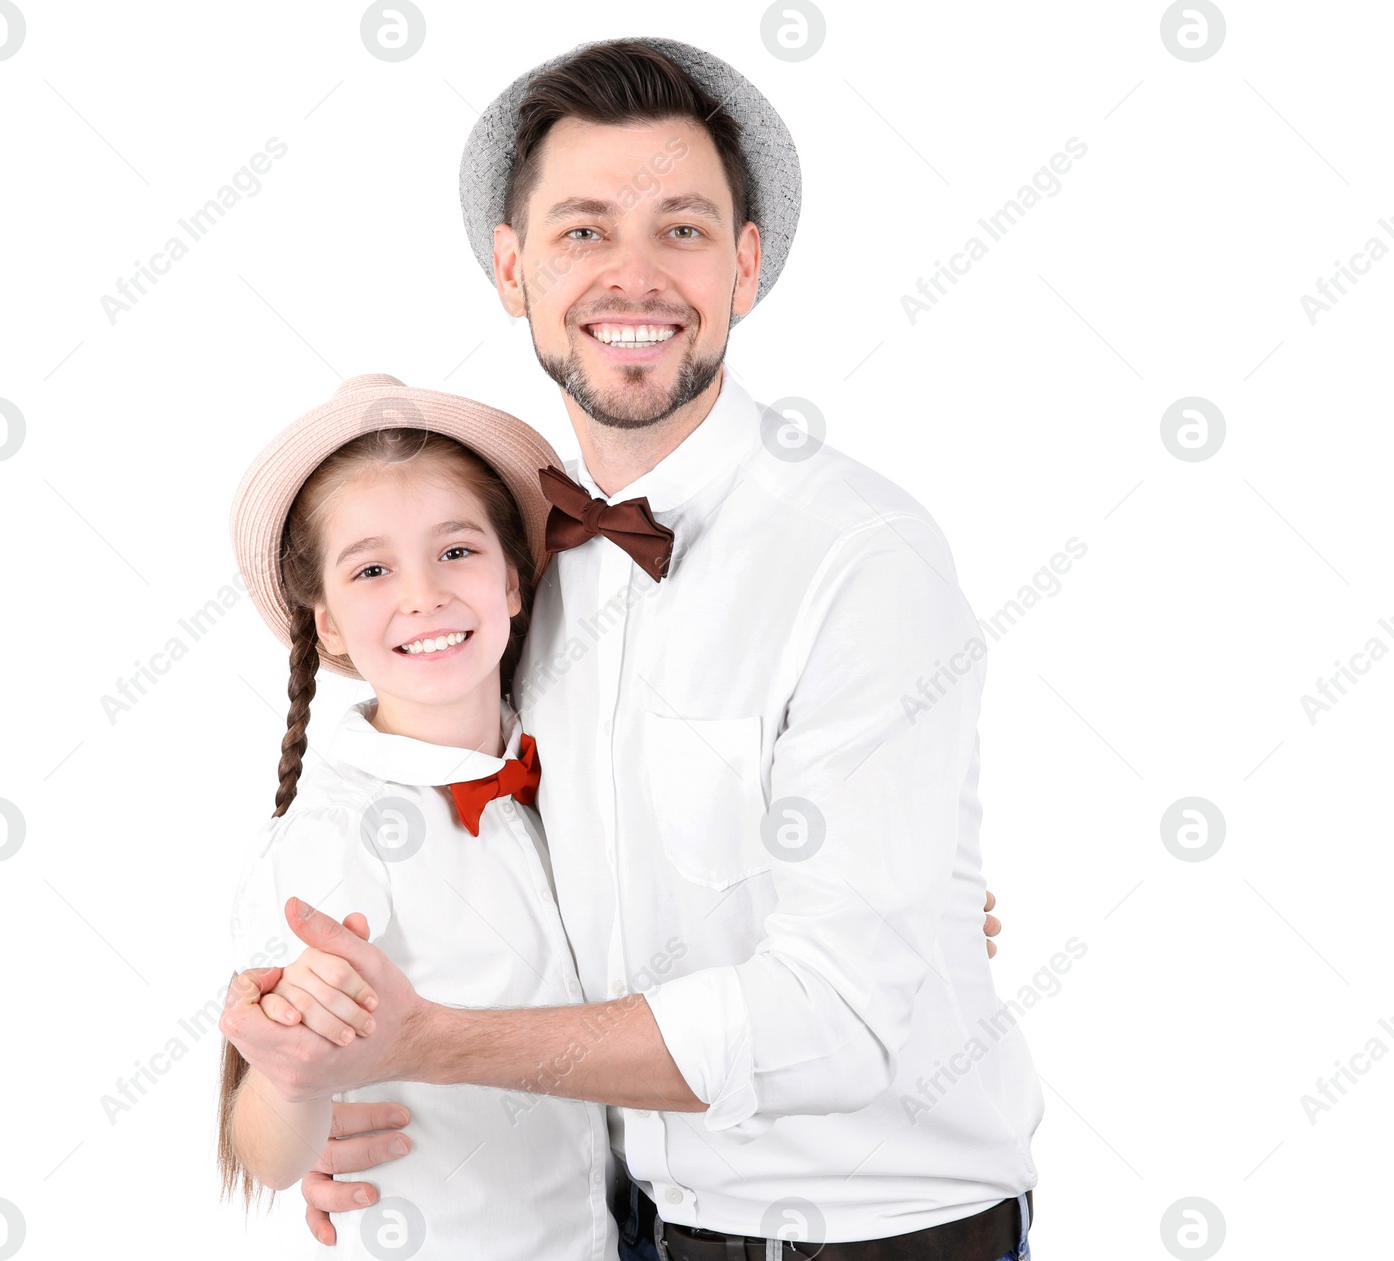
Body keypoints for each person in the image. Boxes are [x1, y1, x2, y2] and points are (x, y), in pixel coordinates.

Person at [222, 36, 1039, 1260]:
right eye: (583, 230)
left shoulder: (858, 558)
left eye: (686, 229)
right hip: (624, 1222)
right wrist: (328, 1104)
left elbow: (843, 1014)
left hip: (876, 1236)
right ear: (512, 269)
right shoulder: (511, 583)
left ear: (746, 264)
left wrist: (425, 1046)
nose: (635, 276)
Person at [217, 376, 619, 1258]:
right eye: (371, 569)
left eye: (457, 551)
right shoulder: (336, 834)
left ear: (514, 582)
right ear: (325, 626)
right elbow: (267, 1151)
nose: (422, 595)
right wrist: (295, 1079)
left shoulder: (580, 767)